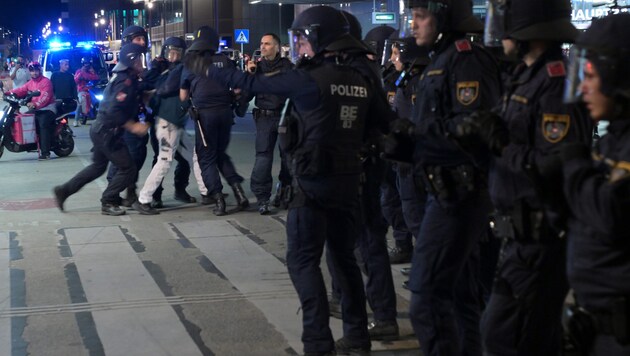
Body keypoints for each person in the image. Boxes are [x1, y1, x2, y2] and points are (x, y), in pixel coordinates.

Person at [187, 6, 392, 355]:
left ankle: (317, 342)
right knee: (345, 259)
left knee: (302, 261)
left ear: (317, 36)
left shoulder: (309, 77)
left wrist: (208, 69)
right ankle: (358, 337)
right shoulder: (360, 78)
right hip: (350, 182)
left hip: (313, 184)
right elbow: (385, 128)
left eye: (301, 38)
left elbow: (253, 83)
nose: (297, 46)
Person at [459, 0, 591, 354]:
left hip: (540, 237)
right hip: (517, 235)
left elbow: (556, 164)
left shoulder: (556, 84)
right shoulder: (523, 76)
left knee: (503, 336)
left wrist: (501, 145)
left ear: (528, 31)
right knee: (534, 338)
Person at [388, 1, 502, 355]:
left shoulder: (465, 59)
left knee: (424, 295)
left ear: (443, 17)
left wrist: (417, 136)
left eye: (421, 17)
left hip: (458, 196)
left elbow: (473, 130)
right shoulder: (441, 58)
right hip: (445, 190)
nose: (413, 25)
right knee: (459, 296)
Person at [559, 13, 630, 356]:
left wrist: (573, 163)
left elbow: (611, 213)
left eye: (591, 75)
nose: (584, 87)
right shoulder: (614, 139)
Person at [53, 43, 150, 216]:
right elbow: (115, 110)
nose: (142, 64)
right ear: (132, 61)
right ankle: (108, 200)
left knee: (98, 166)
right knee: (128, 168)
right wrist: (133, 126)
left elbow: (133, 98)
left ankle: (64, 191)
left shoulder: (127, 78)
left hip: (101, 130)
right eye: (140, 60)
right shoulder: (124, 81)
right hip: (107, 132)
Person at [133, 37, 208, 215]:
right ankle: (144, 198)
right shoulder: (173, 70)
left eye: (177, 52)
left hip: (173, 121)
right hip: (168, 122)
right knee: (165, 160)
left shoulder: (173, 69)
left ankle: (207, 191)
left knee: (194, 156)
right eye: (170, 52)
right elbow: (163, 88)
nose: (173, 56)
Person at [181, 25, 249, 216]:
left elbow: (183, 96)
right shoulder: (225, 61)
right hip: (226, 114)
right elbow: (237, 89)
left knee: (206, 158)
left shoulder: (191, 64)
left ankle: (218, 198)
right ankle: (239, 192)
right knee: (220, 154)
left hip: (205, 116)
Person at [245, 32, 293, 215]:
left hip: (284, 117)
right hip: (264, 118)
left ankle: (285, 190)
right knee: (263, 158)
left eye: (267, 44)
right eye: (262, 43)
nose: (263, 47)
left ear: (277, 47)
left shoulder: (288, 67)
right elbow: (247, 94)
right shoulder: (256, 68)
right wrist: (248, 75)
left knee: (288, 158)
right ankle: (262, 198)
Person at [107, 25, 154, 207]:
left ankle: (127, 192)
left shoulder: (143, 61)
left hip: (139, 117)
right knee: (129, 159)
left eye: (143, 38)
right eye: (137, 39)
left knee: (137, 156)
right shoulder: (126, 66)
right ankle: (113, 195)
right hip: (127, 121)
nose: (142, 42)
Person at [8, 61, 57, 160]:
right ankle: (31, 144)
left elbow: (45, 97)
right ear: (29, 72)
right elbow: (21, 90)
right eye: (32, 71)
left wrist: (35, 104)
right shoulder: (30, 83)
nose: (34, 73)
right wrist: (8, 93)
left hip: (48, 108)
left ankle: (45, 152)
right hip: (36, 109)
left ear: (40, 71)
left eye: (36, 71)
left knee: (43, 124)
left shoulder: (46, 82)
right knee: (24, 119)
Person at [74, 57, 100, 126]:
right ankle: (76, 120)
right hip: (81, 90)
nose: (86, 65)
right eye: (85, 63)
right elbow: (76, 80)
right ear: (82, 64)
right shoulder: (79, 71)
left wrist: (92, 72)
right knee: (80, 102)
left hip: (91, 90)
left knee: (99, 100)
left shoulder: (91, 71)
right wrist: (81, 73)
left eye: (88, 63)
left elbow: (96, 78)